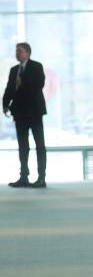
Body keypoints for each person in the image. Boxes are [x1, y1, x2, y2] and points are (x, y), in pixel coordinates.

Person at [2, 42, 47, 188]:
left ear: (28, 53)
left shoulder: (36, 66)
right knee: (23, 146)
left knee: (39, 145)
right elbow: (9, 88)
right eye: (16, 51)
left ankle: (41, 178)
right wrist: (4, 103)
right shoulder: (14, 70)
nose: (17, 54)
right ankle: (23, 177)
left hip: (34, 112)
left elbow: (39, 84)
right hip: (19, 112)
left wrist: (22, 81)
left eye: (19, 51)